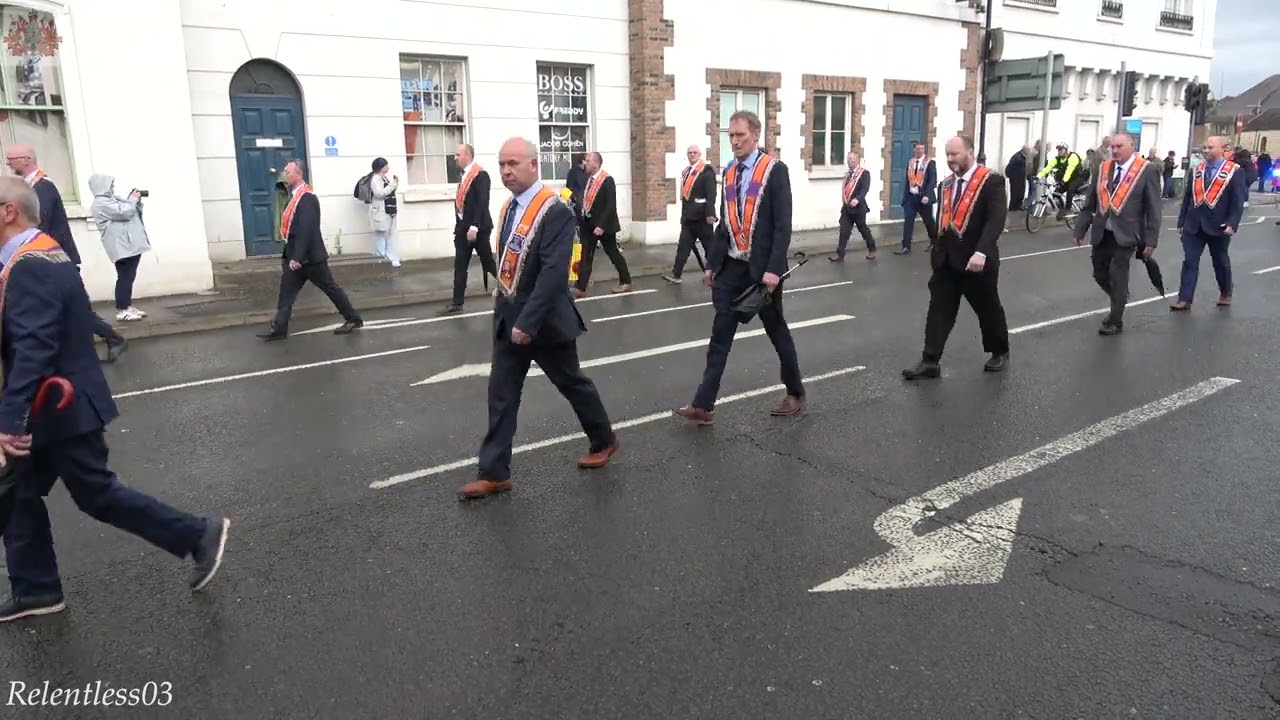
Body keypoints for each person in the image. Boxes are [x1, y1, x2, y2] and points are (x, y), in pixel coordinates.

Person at [0, 177, 230, 622]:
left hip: (62, 407)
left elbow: (34, 347)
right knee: (21, 495)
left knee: (96, 494)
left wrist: (10, 419)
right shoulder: (38, 253)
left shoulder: (31, 263)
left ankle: (199, 534)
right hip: (51, 407)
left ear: (8, 211)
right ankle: (37, 590)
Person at [459, 138, 619, 500]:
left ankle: (604, 439)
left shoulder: (555, 211)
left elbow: (552, 273)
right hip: (509, 320)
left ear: (534, 165)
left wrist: (527, 323)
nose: (506, 171)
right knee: (501, 395)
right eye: (501, 164)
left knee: (572, 384)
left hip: (544, 323)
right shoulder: (508, 209)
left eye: (513, 163)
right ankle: (494, 472)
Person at [674, 110, 805, 423]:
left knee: (776, 330)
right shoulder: (730, 172)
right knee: (720, 334)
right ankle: (703, 405)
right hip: (733, 267)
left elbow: (781, 226)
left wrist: (774, 270)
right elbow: (724, 227)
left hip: (763, 271)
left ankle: (796, 391)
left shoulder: (775, 171)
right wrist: (712, 264)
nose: (734, 141)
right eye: (730, 135)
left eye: (740, 135)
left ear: (756, 135)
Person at [901, 136, 1010, 380]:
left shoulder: (991, 181)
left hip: (977, 261)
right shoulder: (946, 185)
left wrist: (981, 251)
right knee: (938, 309)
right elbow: (943, 221)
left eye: (955, 154)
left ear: (970, 152)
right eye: (947, 155)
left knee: (987, 308)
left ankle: (999, 351)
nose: (950, 160)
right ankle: (930, 360)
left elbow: (995, 221)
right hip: (947, 262)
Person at [4, 145, 126, 362]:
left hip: (54, 258)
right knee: (70, 308)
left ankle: (112, 339)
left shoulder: (43, 187)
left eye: (11, 159)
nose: (7, 164)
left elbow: (39, 225)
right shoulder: (33, 187)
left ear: (26, 159)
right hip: (47, 257)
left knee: (74, 308)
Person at [257, 160, 363, 340]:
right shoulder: (293, 197)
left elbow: (307, 228)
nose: (285, 174)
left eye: (288, 171)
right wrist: (291, 256)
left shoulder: (307, 198)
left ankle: (353, 318)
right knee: (286, 295)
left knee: (331, 289)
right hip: (294, 257)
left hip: (310, 259)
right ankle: (279, 329)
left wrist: (297, 257)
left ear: (298, 174)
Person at [1072, 133, 1162, 336]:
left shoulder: (1147, 170)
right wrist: (1080, 229)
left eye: (1119, 146)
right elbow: (1090, 203)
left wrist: (1151, 239)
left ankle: (1116, 319)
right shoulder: (1103, 168)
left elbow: (1154, 209)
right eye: (1112, 147)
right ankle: (1119, 298)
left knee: (1117, 274)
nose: (1115, 150)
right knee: (1099, 273)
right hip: (1103, 232)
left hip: (1128, 234)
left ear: (1132, 146)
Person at [1172, 136, 1248, 310]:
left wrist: (1232, 223)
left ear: (1222, 149)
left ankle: (1226, 292)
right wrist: (1182, 220)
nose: (1206, 150)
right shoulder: (1197, 170)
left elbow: (1237, 201)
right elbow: (1188, 198)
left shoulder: (1234, 171)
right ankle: (1185, 299)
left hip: (1219, 226)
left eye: (1211, 147)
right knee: (1190, 261)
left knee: (1220, 261)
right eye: (1204, 147)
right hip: (1193, 225)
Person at [441, 144, 497, 315]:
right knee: (460, 265)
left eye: (458, 154)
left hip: (477, 229)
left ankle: (514, 288)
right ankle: (457, 303)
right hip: (462, 228)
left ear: (467, 155)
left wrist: (475, 226)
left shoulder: (480, 175)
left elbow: (482, 203)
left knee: (488, 262)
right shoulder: (464, 176)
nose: (455, 158)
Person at [88, 174, 151, 321]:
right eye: (110, 184)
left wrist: (134, 200)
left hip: (129, 245)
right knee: (124, 277)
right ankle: (122, 310)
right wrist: (133, 200)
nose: (112, 187)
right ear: (102, 185)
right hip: (121, 247)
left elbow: (130, 208)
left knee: (129, 276)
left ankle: (127, 306)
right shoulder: (101, 203)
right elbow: (125, 212)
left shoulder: (112, 199)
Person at [573, 152, 632, 297]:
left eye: (588, 160)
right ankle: (581, 287)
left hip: (603, 226)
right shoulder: (589, 179)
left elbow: (610, 206)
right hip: (588, 223)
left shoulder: (607, 180)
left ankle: (626, 282)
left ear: (596, 163)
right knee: (584, 254)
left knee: (613, 253)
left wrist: (601, 226)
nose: (585, 162)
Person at [663, 145, 717, 283]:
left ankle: (717, 273)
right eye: (689, 153)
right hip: (688, 218)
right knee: (683, 246)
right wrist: (683, 217)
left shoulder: (706, 171)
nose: (692, 155)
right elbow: (685, 198)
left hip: (702, 217)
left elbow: (711, 194)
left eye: (694, 153)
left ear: (699, 154)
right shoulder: (686, 171)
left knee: (709, 248)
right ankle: (676, 275)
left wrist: (710, 213)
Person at [829, 150, 875, 261]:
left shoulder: (864, 173)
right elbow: (845, 190)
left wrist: (858, 199)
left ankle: (872, 249)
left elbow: (865, 189)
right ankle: (840, 254)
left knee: (863, 230)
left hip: (858, 209)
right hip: (847, 208)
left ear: (856, 160)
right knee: (844, 231)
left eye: (851, 159)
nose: (849, 161)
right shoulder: (847, 175)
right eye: (848, 159)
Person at [895, 141, 938, 255]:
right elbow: (907, 181)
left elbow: (932, 181)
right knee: (908, 221)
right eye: (917, 149)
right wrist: (904, 198)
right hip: (911, 197)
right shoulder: (911, 163)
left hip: (923, 198)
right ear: (914, 150)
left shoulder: (930, 163)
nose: (919, 151)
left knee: (928, 222)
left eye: (922, 149)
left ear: (924, 150)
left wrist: (927, 195)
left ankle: (935, 243)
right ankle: (906, 246)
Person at [1037, 142, 1088, 219]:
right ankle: (1062, 210)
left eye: (1061, 149)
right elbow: (1048, 168)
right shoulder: (1057, 159)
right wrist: (1038, 176)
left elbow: (1069, 171)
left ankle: (1068, 208)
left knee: (1070, 189)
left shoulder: (1073, 157)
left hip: (1078, 178)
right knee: (1056, 193)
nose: (1059, 151)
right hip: (1067, 179)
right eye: (1058, 150)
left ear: (1066, 150)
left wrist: (1063, 181)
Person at [368, 157, 400, 267]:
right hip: (381, 211)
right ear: (381, 167)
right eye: (386, 165)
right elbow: (379, 194)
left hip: (389, 210)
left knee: (389, 235)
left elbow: (389, 192)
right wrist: (393, 185)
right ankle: (381, 258)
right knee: (381, 235)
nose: (388, 167)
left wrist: (394, 184)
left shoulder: (384, 178)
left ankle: (391, 257)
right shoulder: (375, 179)